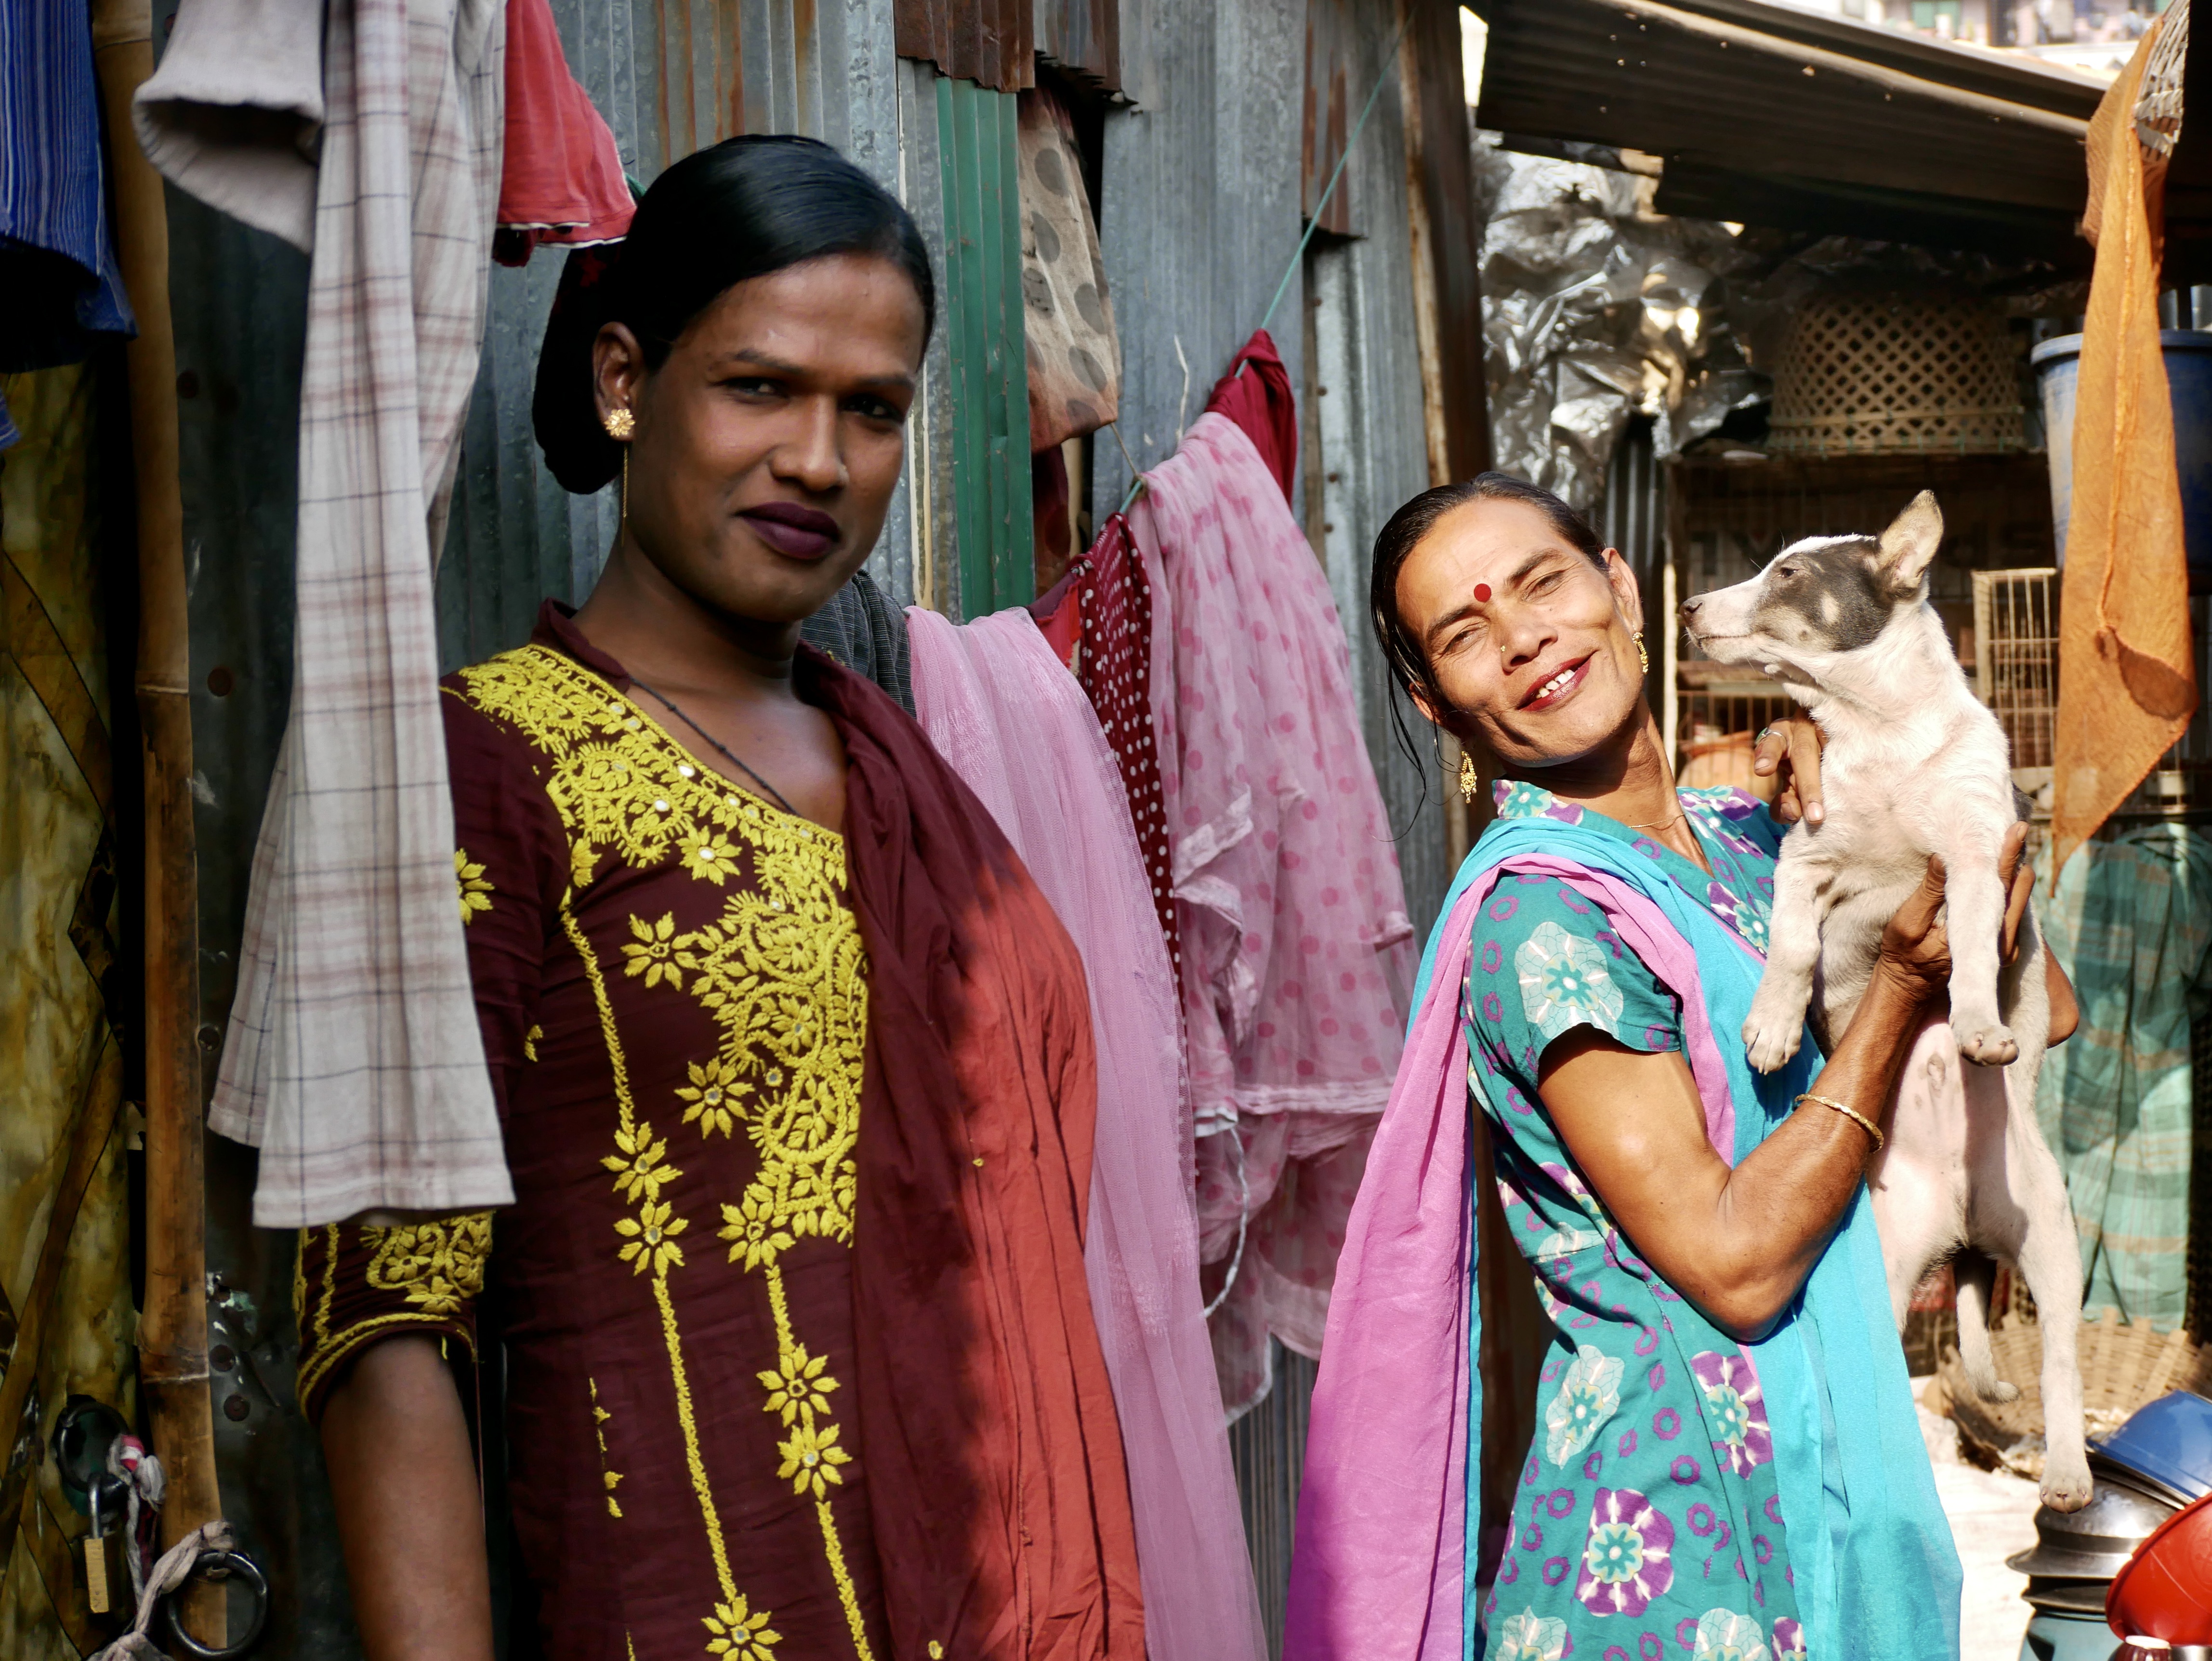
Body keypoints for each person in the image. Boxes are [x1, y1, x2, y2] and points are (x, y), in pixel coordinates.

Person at [299, 135, 1143, 1661]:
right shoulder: (480, 762)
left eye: (872, 411)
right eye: (760, 386)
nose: (819, 459)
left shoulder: (905, 774)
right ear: (628, 380)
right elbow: (389, 1321)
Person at [1285, 474, 2077, 1661]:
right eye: (1464, 632)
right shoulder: (1545, 921)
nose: (1522, 639)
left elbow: (2047, 1006)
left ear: (1616, 585)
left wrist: (1893, 782)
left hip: (1828, 1501)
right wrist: (1902, 992)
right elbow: (1735, 1262)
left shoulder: (1748, 835)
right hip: (1675, 1556)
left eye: (1544, 582)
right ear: (1431, 700)